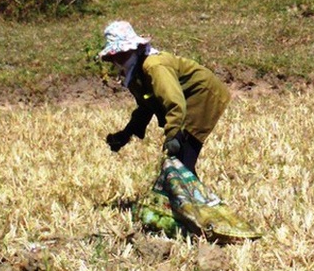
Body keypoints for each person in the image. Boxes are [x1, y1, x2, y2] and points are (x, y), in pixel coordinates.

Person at [98, 20, 230, 177]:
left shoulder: (154, 66)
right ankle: (193, 198)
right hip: (184, 100)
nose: (117, 59)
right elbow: (146, 107)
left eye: (121, 54)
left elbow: (174, 101)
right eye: (114, 56)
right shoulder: (135, 74)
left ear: (134, 48)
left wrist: (173, 135)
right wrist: (127, 133)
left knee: (179, 162)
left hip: (202, 96)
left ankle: (192, 199)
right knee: (177, 164)